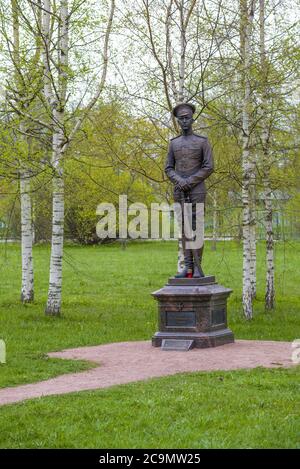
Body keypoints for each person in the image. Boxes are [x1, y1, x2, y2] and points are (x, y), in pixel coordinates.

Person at [165, 103, 214, 278]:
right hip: (180, 191)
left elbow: (209, 167)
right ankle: (188, 268)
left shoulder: (202, 142)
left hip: (197, 191)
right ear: (178, 121)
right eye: (181, 119)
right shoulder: (173, 144)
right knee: (185, 230)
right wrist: (180, 181)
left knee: (197, 229)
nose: (184, 121)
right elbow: (169, 168)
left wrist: (190, 181)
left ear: (192, 119)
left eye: (187, 118)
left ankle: (198, 268)